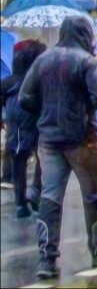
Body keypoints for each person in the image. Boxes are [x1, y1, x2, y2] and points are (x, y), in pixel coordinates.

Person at [19, 16, 97, 279]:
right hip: (82, 138)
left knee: (50, 198)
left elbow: (25, 98)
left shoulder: (43, 60)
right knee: (93, 196)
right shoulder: (87, 62)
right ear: (85, 35)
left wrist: (47, 109)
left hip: (49, 140)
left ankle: (47, 260)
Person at [1, 40, 46, 217]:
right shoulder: (40, 80)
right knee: (43, 158)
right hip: (38, 123)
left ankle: (20, 202)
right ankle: (36, 192)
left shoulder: (9, 82)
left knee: (19, 162)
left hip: (17, 126)